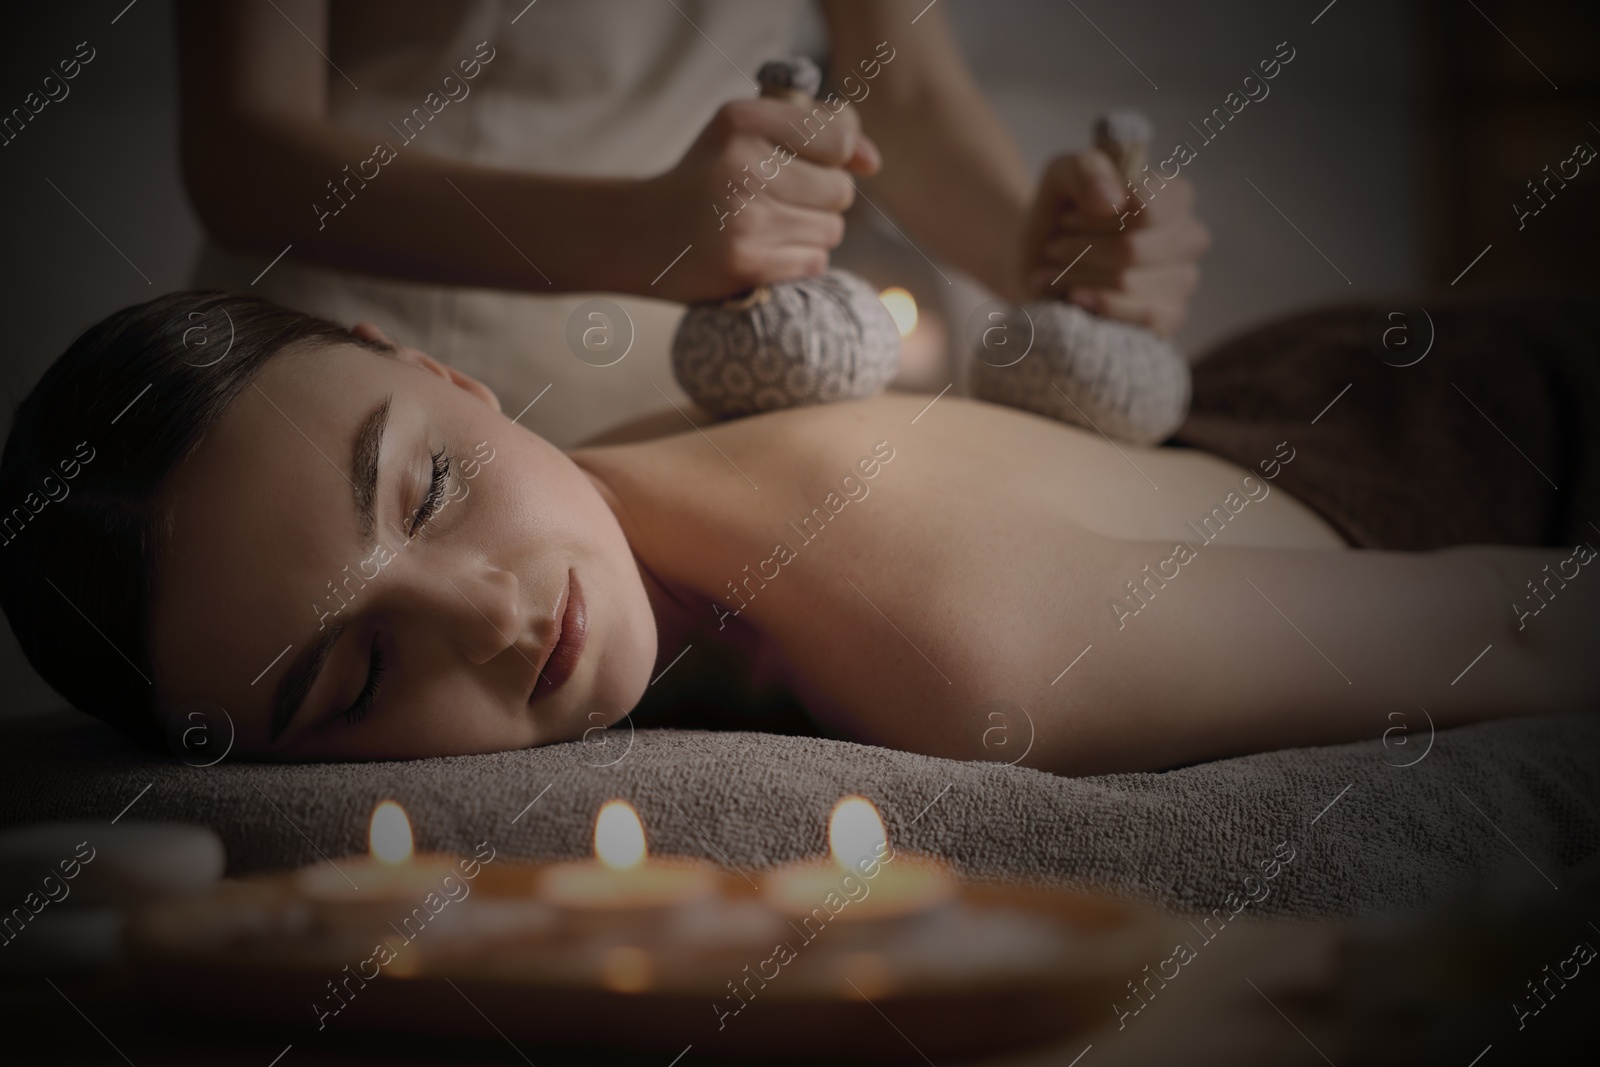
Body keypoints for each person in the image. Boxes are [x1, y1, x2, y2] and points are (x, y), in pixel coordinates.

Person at [1, 292, 1593, 774]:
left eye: (424, 487)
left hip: (1453, 414)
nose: (491, 610)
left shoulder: (964, 651)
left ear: (441, 372)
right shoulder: (596, 506)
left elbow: (1526, 622)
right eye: (351, 678)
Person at [175, 0, 1209, 446]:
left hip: (707, 412)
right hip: (363, 378)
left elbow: (907, 94)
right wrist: (634, 233)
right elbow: (241, 149)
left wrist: (1053, 252)